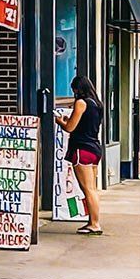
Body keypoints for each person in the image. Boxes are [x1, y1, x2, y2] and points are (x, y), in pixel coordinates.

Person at [55, 75, 104, 235]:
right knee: (93, 189)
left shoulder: (81, 103)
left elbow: (70, 127)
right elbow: (86, 124)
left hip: (81, 149)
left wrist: (60, 121)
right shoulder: (97, 104)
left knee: (87, 189)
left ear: (77, 88)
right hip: (95, 148)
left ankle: (95, 224)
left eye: (74, 89)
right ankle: (92, 221)